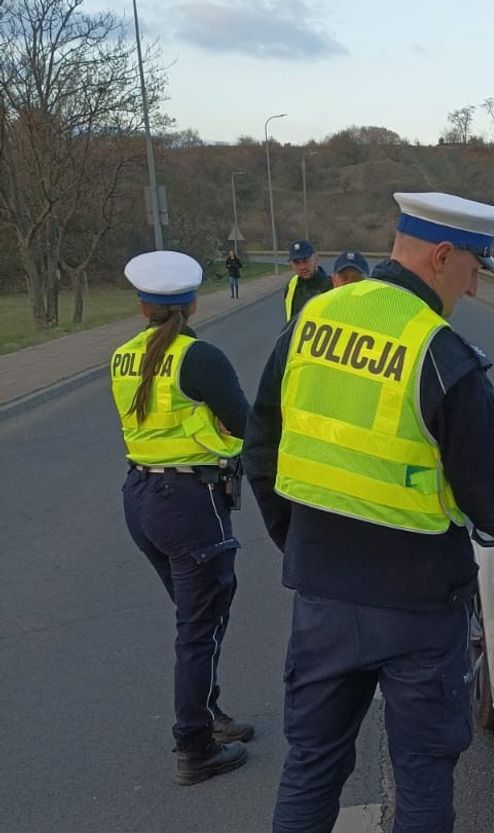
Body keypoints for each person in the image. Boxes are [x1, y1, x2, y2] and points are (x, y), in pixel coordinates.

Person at [243, 192, 494, 833]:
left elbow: (261, 452)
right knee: (421, 780)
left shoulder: (311, 321)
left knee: (311, 768)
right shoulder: (442, 356)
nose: (472, 289)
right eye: (473, 270)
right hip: (416, 612)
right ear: (442, 256)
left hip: (322, 597)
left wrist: (301, 544)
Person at [110, 250, 254, 786]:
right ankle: (194, 745)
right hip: (189, 500)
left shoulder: (122, 355)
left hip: (141, 495)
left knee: (199, 617)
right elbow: (244, 424)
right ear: (192, 302)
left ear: (142, 304)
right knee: (199, 625)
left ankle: (209, 715)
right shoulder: (200, 357)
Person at [283, 239, 332, 320]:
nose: (302, 267)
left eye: (305, 261)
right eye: (297, 263)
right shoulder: (292, 285)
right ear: (291, 264)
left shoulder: (331, 286)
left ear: (316, 259)